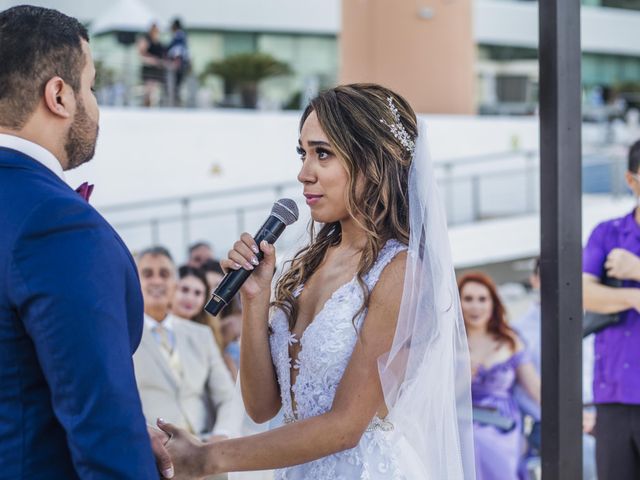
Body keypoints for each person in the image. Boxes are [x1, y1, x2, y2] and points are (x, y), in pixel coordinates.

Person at [157, 84, 476, 479]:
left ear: (372, 162)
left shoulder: (401, 272)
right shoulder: (308, 264)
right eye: (302, 153)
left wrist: (209, 457)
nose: (303, 173)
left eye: (322, 154)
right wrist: (256, 298)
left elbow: (345, 426)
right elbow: (262, 407)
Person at [0, 6, 171, 479]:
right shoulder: (55, 223)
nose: (94, 106)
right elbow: (102, 428)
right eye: (90, 86)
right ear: (59, 94)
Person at [133, 247, 238, 444]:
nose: (156, 281)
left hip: (203, 447)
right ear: (135, 281)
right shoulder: (124, 336)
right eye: (147, 274)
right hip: (148, 451)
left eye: (164, 274)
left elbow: (227, 396)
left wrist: (222, 433)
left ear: (175, 283)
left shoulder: (201, 335)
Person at [583, 138, 640, 479]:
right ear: (631, 180)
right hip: (614, 395)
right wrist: (635, 298)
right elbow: (586, 295)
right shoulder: (607, 233)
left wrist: (636, 271)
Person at [458, 272, 540, 480]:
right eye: (468, 299)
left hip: (502, 422)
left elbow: (535, 389)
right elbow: (437, 397)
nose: (475, 306)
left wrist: (574, 414)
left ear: (493, 303)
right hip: (462, 419)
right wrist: (463, 377)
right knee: (470, 440)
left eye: (482, 299)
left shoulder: (510, 341)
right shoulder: (449, 344)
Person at [138, 23, 166, 107]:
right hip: (149, 68)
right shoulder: (146, 39)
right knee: (148, 89)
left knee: (154, 90)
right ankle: (146, 105)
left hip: (157, 69)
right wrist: (151, 59)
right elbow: (141, 53)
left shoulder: (158, 41)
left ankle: (151, 105)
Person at [166, 18, 190, 106]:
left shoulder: (179, 35)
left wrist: (177, 61)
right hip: (180, 64)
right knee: (177, 85)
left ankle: (176, 102)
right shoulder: (181, 35)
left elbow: (178, 50)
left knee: (177, 85)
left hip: (178, 64)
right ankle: (176, 101)